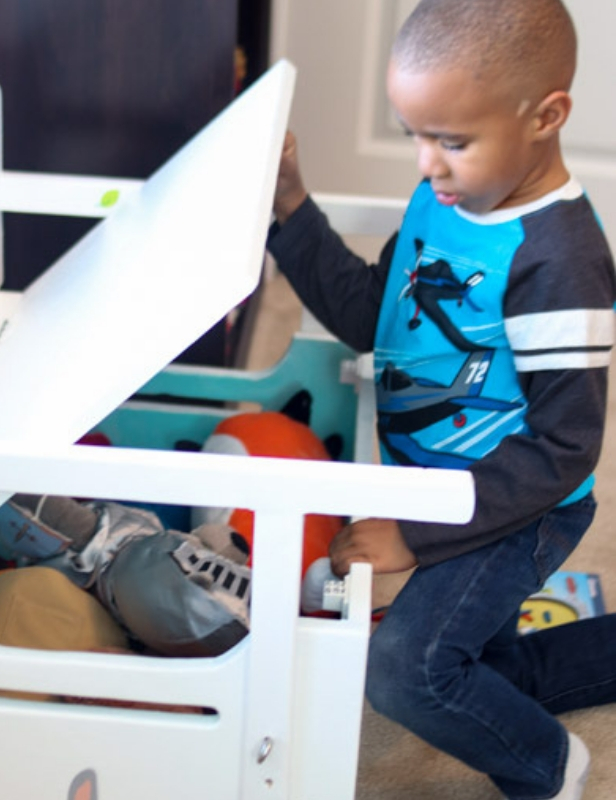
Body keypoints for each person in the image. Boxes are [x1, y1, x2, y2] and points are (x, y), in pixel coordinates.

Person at [267, 1, 616, 798]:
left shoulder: (560, 262)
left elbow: (565, 450)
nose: (426, 164)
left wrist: (415, 535)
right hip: (438, 485)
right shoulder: (444, 200)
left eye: (452, 141)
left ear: (547, 116)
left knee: (409, 672)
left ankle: (553, 769)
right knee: (488, 667)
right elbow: (372, 315)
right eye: (414, 135)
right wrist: (291, 210)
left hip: (518, 506)